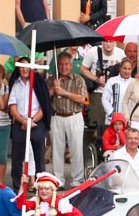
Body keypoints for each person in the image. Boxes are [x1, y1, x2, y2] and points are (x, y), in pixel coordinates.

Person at [8, 56, 53, 190]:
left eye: (27, 66)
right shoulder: (16, 84)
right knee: (17, 157)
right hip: (20, 122)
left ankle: (41, 187)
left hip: (36, 122)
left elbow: (44, 106)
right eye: (21, 66)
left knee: (39, 157)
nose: (24, 69)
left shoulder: (39, 83)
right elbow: (12, 107)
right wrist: (23, 121)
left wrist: (31, 121)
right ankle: (18, 187)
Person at [49, 51, 89, 188]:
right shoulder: (52, 79)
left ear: (71, 65)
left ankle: (77, 181)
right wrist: (54, 89)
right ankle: (58, 180)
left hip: (74, 116)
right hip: (57, 117)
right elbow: (43, 97)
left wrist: (64, 92)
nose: (63, 67)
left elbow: (83, 99)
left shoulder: (78, 79)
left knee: (76, 150)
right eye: (60, 64)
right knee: (57, 151)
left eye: (66, 64)